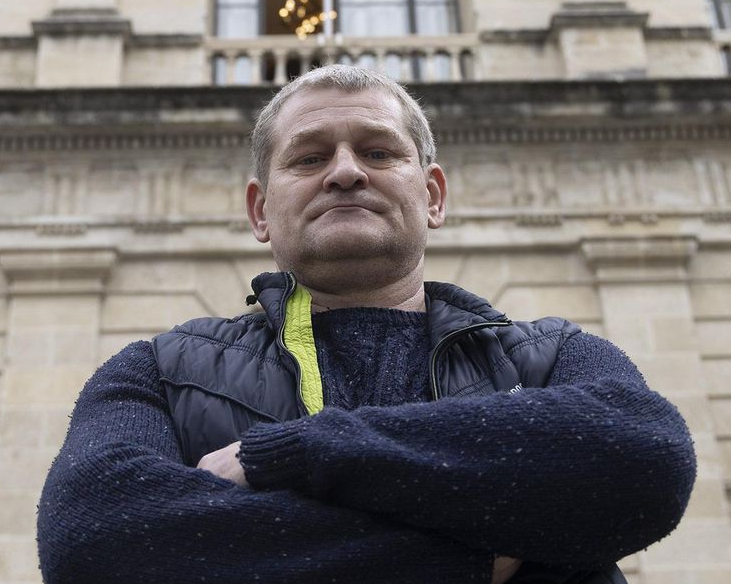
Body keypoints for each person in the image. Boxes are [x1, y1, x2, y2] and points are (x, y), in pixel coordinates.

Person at [37, 65, 696, 583]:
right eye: (308, 157)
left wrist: (295, 454)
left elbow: (649, 459)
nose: (346, 172)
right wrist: (478, 559)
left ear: (432, 195)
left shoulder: (554, 357)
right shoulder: (157, 372)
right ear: (260, 210)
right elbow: (94, 541)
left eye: (379, 152)